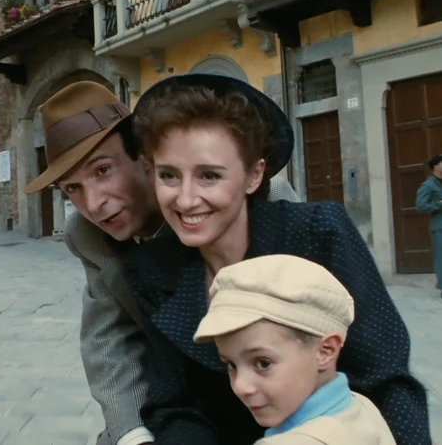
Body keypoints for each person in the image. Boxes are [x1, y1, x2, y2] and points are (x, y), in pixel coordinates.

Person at [123, 73, 432, 445]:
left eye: (209, 176)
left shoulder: (318, 233)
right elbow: (175, 404)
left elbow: (386, 378)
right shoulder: (152, 269)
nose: (186, 200)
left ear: (254, 175)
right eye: (169, 176)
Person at [23, 80, 300, 445]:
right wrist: (133, 435)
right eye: (72, 188)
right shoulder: (87, 235)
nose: (93, 203)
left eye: (103, 170)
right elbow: (108, 340)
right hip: (178, 399)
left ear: (145, 157)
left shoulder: (263, 197)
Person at [193, 254, 397, 445]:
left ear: (325, 351)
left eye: (263, 363)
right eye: (231, 365)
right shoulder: (362, 407)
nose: (241, 386)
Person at [416, 154, 442, 296]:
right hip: (439, 227)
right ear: (436, 166)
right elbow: (421, 206)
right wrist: (438, 205)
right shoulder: (428, 185)